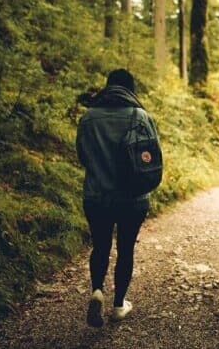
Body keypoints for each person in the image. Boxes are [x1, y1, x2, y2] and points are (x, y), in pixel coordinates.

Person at [76, 69, 157, 327]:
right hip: (132, 199)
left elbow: (82, 156)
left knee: (100, 246)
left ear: (107, 87)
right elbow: (152, 157)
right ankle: (119, 304)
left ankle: (97, 290)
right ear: (131, 90)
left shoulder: (88, 117)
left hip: (97, 196)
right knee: (125, 249)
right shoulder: (140, 116)